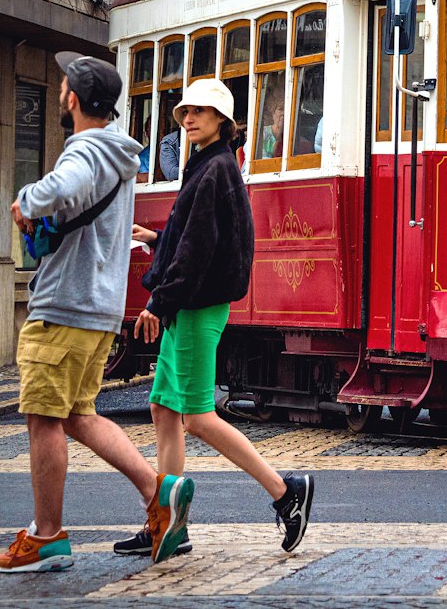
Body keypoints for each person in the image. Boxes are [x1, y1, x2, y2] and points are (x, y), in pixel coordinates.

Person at [0, 52, 192, 574]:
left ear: (73, 98)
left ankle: (47, 537)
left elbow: (63, 188)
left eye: (61, 88)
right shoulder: (119, 155)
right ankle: (157, 493)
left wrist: (27, 199)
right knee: (79, 415)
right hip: (98, 310)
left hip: (64, 307)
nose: (59, 94)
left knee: (43, 420)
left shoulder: (85, 149)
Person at [117, 77, 313, 559]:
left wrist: (157, 302)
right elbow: (195, 240)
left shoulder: (214, 168)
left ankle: (286, 493)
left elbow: (199, 250)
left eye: (200, 112)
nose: (188, 118)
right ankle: (166, 525)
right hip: (190, 306)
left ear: (221, 120)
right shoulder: (206, 164)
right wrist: (159, 238)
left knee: (198, 416)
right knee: (165, 409)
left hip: (195, 308)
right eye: (185, 111)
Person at [260, 79, 285, 159]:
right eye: (281, 109)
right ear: (273, 113)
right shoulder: (262, 133)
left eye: (287, 110)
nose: (284, 113)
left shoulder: (293, 135)